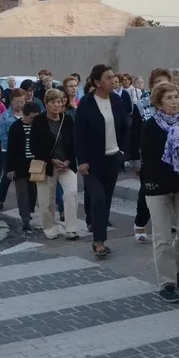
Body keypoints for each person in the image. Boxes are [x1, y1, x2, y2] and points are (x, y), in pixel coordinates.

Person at [140, 81, 179, 303]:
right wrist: (174, 186)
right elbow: (151, 163)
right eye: (169, 97)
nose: (174, 101)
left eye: (176, 96)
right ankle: (167, 283)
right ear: (158, 102)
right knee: (162, 237)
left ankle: (176, 266)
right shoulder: (150, 126)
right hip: (157, 187)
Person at [74, 64, 130, 258]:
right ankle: (98, 242)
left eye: (114, 76)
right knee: (98, 199)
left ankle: (100, 237)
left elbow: (124, 127)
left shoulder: (117, 100)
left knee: (105, 200)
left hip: (112, 158)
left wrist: (122, 152)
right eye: (108, 77)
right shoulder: (87, 103)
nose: (113, 80)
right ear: (97, 82)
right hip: (92, 161)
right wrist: (81, 161)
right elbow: (78, 134)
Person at [128, 68, 174, 244]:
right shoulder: (142, 105)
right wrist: (134, 159)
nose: (160, 86)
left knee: (170, 189)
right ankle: (140, 222)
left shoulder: (175, 103)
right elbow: (135, 134)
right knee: (147, 190)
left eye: (163, 83)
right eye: (156, 83)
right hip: (148, 156)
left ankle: (165, 221)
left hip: (170, 156)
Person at [30, 89, 80, 240]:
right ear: (46, 104)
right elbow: (34, 146)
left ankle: (71, 229)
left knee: (71, 193)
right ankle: (50, 228)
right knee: (46, 200)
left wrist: (68, 161)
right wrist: (51, 160)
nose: (56, 105)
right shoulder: (39, 121)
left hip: (66, 164)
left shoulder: (68, 119)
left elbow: (75, 143)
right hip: (47, 165)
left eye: (59, 102)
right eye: (52, 102)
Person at [6, 103, 41, 232]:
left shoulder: (38, 126)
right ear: (25, 115)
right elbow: (11, 149)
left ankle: (30, 211)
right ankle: (25, 219)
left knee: (33, 192)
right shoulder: (16, 127)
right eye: (32, 118)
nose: (34, 120)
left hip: (35, 164)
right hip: (20, 165)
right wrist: (10, 169)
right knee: (23, 194)